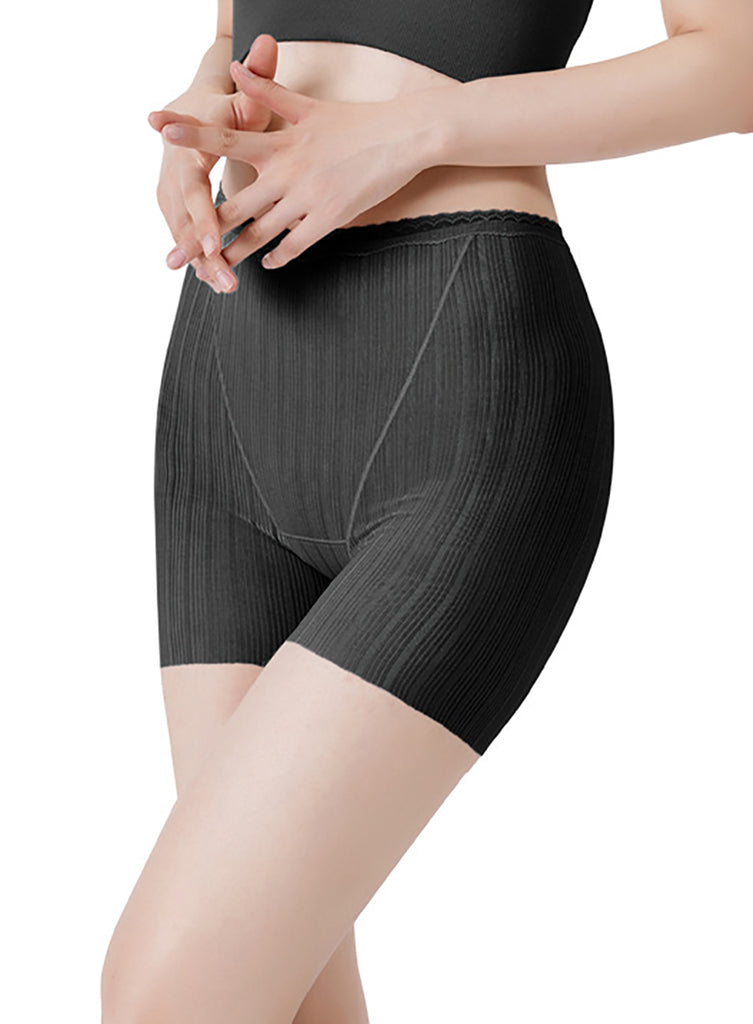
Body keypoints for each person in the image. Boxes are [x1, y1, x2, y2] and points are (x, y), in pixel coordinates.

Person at [101, 2, 753, 1021]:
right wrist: (199, 111)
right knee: (282, 992)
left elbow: (736, 66)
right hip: (226, 374)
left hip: (459, 371)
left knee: (171, 990)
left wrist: (419, 129)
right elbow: (238, 28)